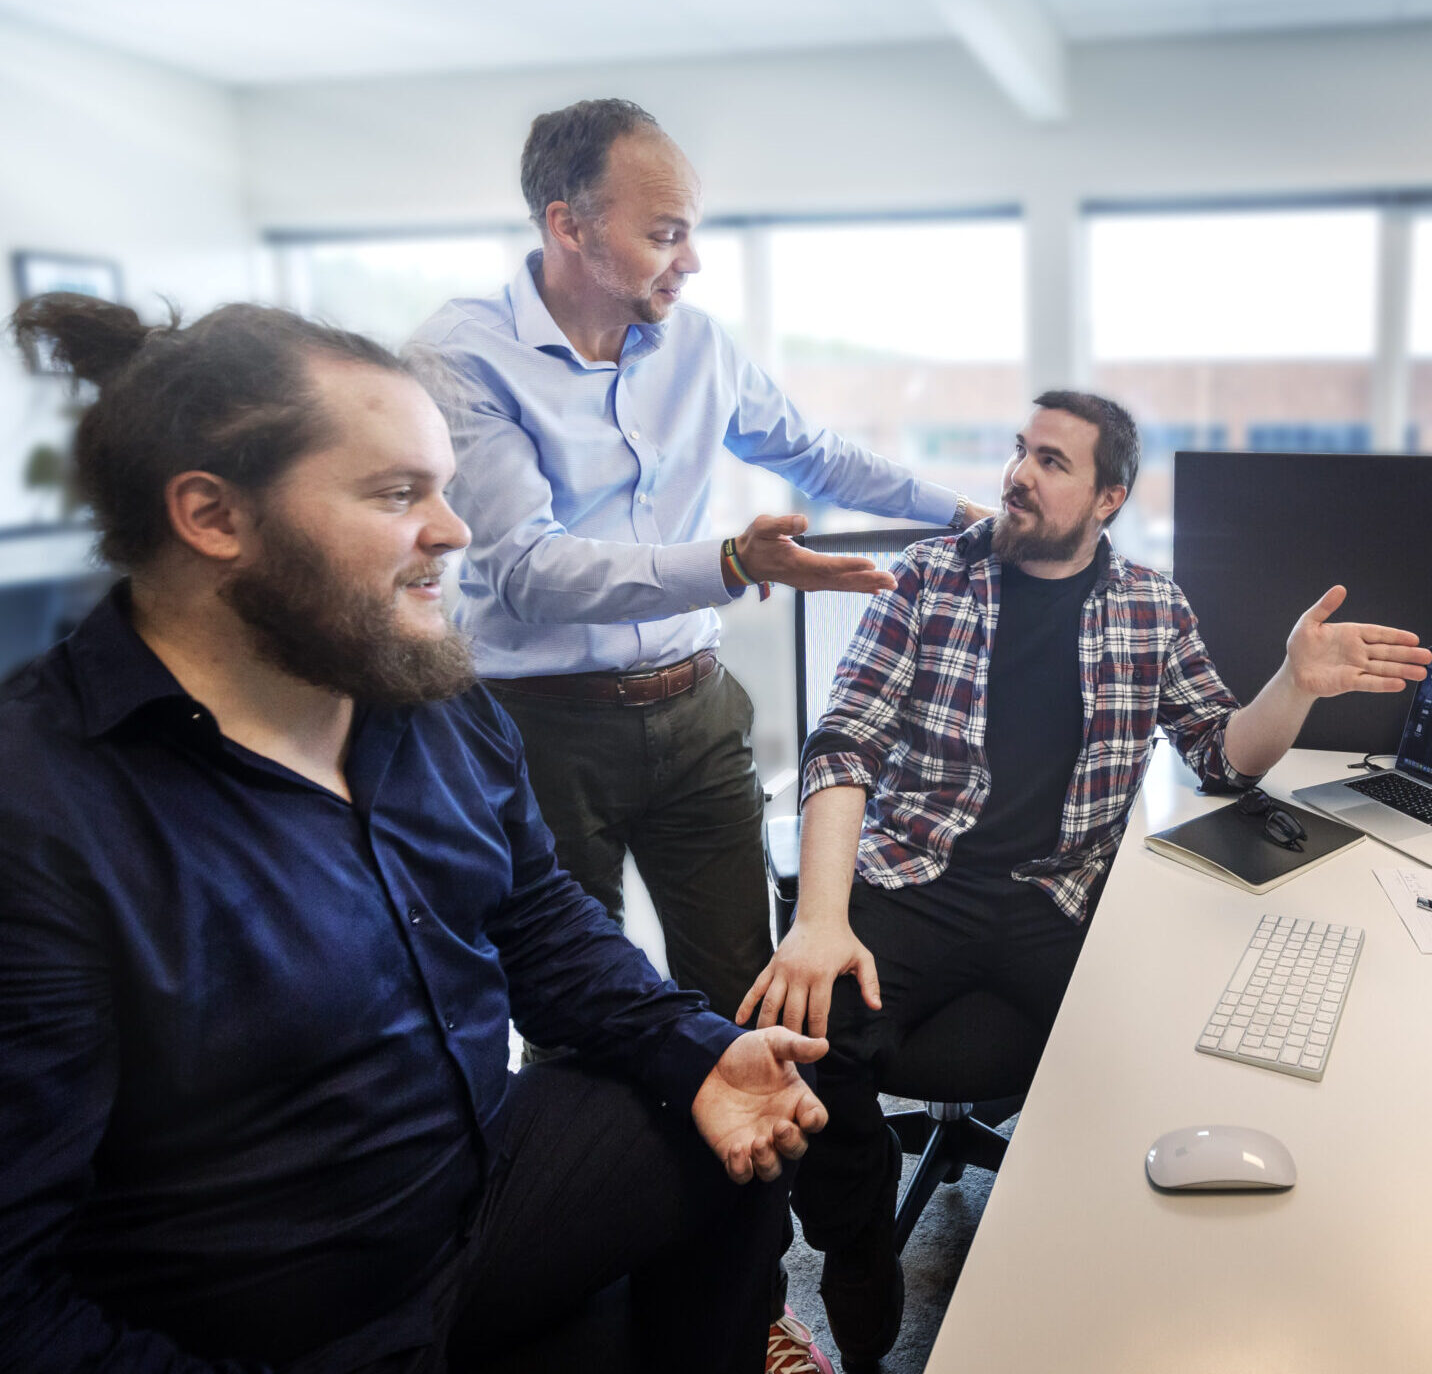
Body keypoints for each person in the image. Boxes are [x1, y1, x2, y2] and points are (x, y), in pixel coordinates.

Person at [0, 295, 835, 1374]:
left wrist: (698, 1048)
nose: (455, 529)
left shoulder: (426, 695)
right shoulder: (38, 810)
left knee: (740, 1113)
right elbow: (18, 1299)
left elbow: (536, 922)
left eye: (442, 486)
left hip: (470, 1196)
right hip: (258, 1316)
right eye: (398, 494)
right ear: (212, 516)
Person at [735, 389, 1432, 1365]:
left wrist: (1294, 683)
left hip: (1055, 895)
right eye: (1020, 451)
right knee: (812, 1030)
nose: (1017, 475)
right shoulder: (929, 578)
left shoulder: (1150, 606)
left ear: (1108, 499)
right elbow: (845, 739)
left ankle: (1100, 1282)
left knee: (1151, 1054)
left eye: (1051, 462)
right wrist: (818, 918)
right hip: (918, 875)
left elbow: (1221, 755)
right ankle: (856, 1255)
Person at [408, 98, 992, 1018]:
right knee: (574, 1001)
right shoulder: (460, 357)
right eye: (664, 234)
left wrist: (960, 515)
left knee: (742, 989)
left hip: (697, 713)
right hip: (540, 728)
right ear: (569, 225)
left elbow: (815, 455)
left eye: (692, 232)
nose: (692, 261)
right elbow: (529, 572)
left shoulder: (700, 343)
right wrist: (730, 563)